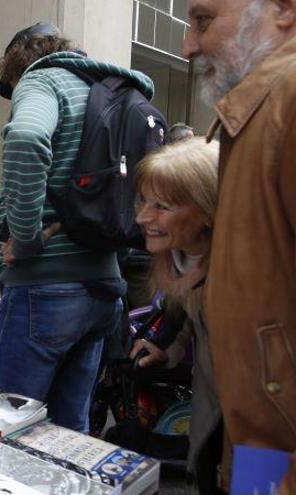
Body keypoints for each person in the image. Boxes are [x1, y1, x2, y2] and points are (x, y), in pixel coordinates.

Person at [0, 23, 149, 432]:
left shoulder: (42, 80)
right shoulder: (110, 89)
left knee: (7, 425)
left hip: (46, 288)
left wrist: (24, 242)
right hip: (102, 288)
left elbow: (25, 136)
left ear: (18, 64)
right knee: (68, 428)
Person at [184, 0, 296, 491]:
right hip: (261, 450)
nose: (187, 45)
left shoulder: (288, 101)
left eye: (203, 21)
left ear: (284, 10)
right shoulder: (259, 109)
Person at [125, 138, 221, 493]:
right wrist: (172, 345)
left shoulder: (251, 278)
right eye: (143, 201)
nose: (142, 217)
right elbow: (188, 304)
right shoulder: (183, 256)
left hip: (259, 435)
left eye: (161, 206)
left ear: (209, 209)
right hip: (212, 420)